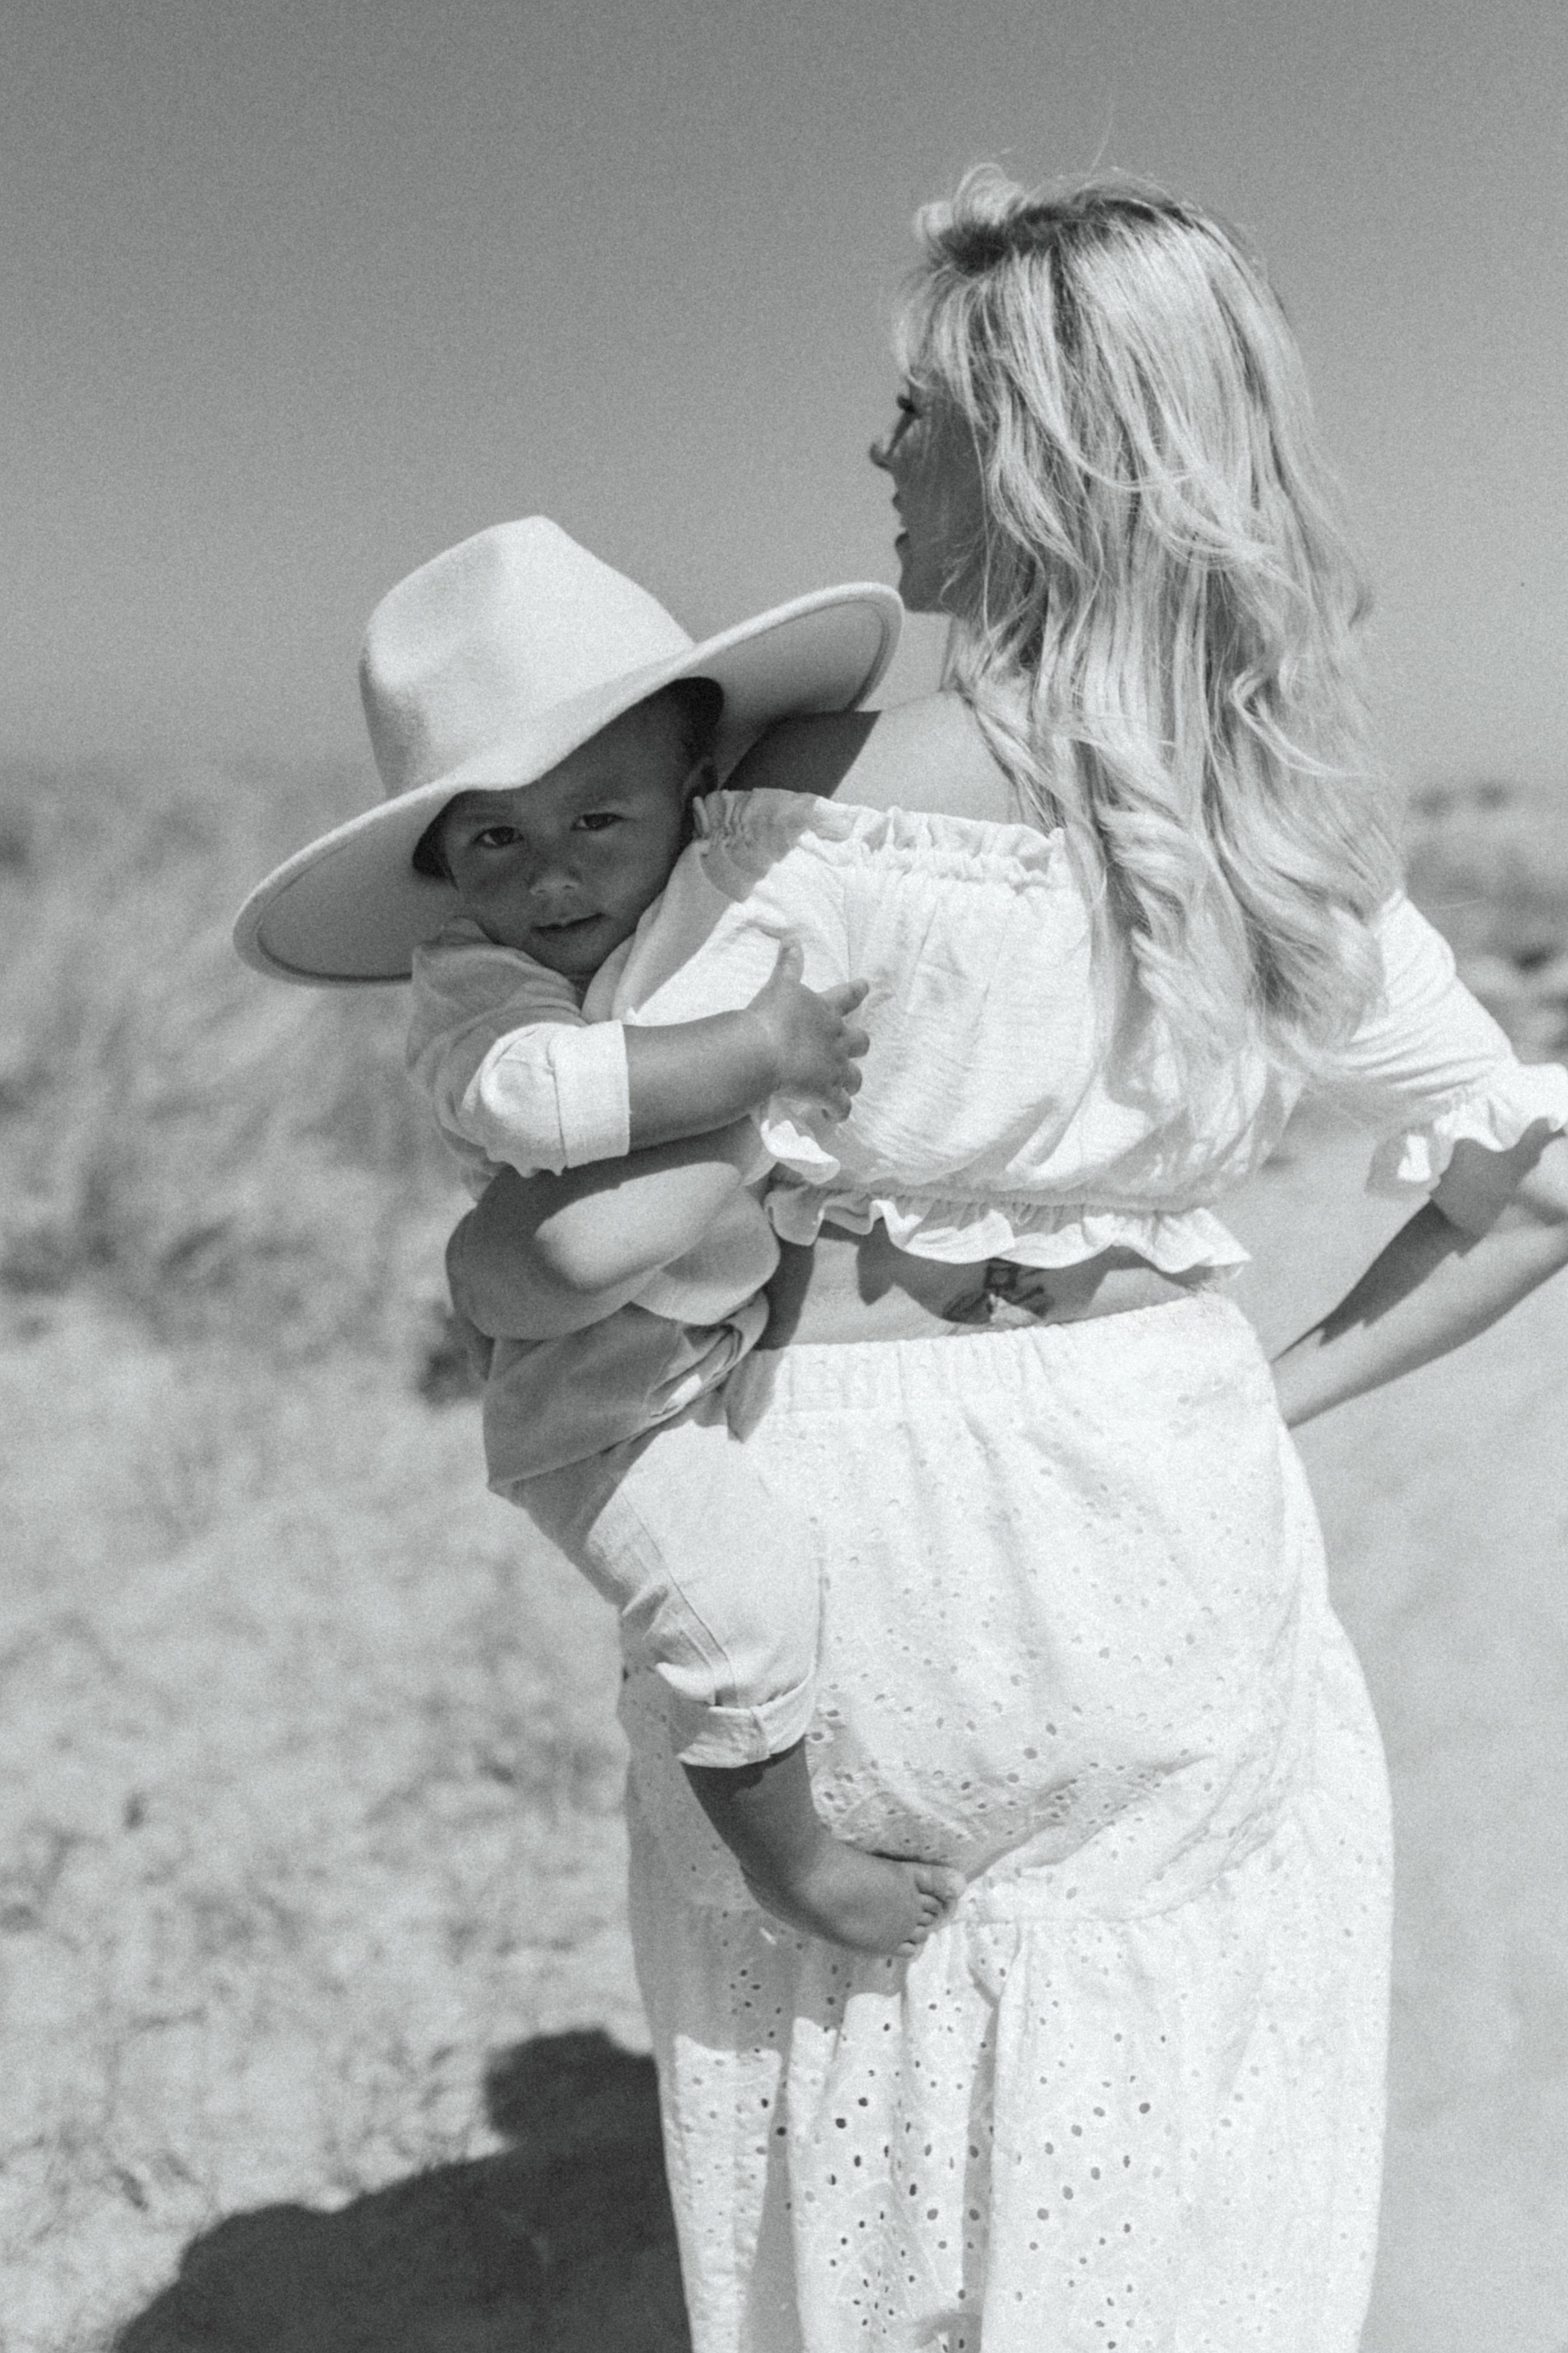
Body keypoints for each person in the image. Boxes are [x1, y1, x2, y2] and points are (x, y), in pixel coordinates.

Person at [448, 175, 1568, 2352]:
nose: (879, 454)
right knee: (1156, 2108)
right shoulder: (1279, 830)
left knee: (851, 2099)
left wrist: (498, 1261)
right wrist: (1271, 1397)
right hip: (1163, 1496)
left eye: (922, 415)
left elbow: (585, 1237)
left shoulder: (803, 788)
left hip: (841, 1522)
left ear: (1040, 448)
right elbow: (1529, 1185)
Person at [233, 518, 967, 1955]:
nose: (551, 876)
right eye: (495, 840)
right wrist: (752, 1053)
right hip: (593, 1403)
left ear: (689, 796)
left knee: (811, 1567)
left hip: (712, 1340)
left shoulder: (699, 919)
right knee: (732, 1607)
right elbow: (532, 1097)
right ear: (442, 862)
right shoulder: (476, 980)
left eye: (596, 822)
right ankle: (792, 1865)